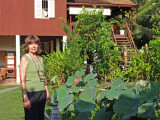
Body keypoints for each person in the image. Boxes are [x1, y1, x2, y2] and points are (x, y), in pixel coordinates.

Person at [20, 35, 50, 120]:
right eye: (31, 44)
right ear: (27, 46)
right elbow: (22, 80)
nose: (34, 46)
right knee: (32, 117)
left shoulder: (41, 58)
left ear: (38, 45)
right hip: (32, 94)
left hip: (42, 93)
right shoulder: (25, 58)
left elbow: (43, 77)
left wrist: (47, 92)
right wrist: (25, 97)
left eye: (36, 43)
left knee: (40, 117)